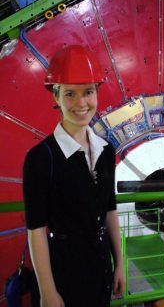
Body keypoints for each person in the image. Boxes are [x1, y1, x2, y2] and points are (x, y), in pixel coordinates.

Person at [23, 45, 125, 307]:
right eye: (70, 94)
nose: (81, 103)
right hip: (64, 273)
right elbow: (36, 229)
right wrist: (47, 292)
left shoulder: (105, 150)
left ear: (97, 94)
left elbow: (110, 210)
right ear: (56, 97)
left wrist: (120, 264)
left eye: (88, 92)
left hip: (101, 266)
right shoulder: (41, 158)